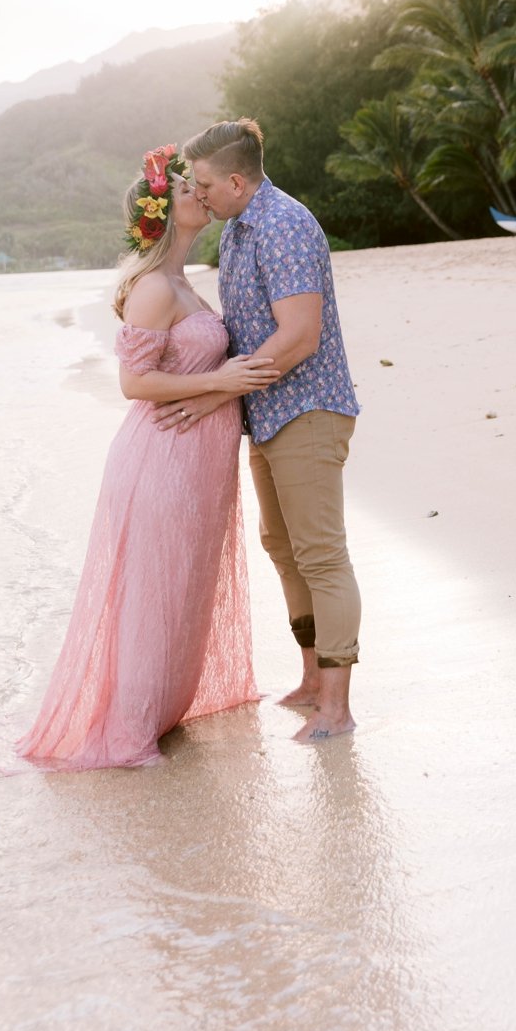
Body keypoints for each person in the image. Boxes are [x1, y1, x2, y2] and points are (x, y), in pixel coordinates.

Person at [16, 147, 277, 771]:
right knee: (153, 592)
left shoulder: (184, 281)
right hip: (162, 458)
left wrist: (222, 384)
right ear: (164, 213)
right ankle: (130, 732)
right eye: (188, 187)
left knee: (184, 588)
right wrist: (223, 383)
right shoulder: (156, 287)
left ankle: (159, 710)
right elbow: (135, 384)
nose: (200, 192)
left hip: (197, 462)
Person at [170, 118, 364, 743]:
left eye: (202, 184)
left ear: (234, 180)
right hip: (267, 412)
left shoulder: (283, 224)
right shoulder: (236, 232)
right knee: (282, 549)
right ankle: (311, 680)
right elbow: (243, 325)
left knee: (321, 556)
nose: (197, 194)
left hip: (307, 407)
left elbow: (299, 336)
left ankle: (337, 707)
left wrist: (217, 390)